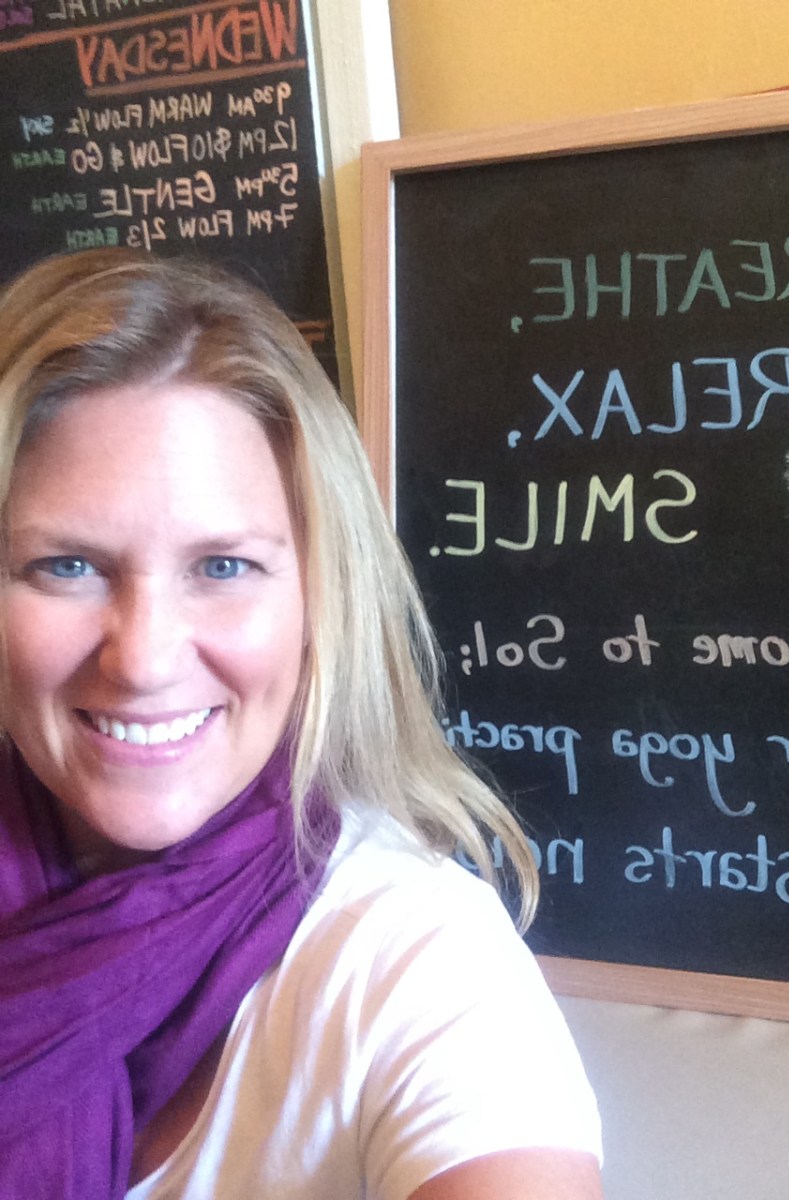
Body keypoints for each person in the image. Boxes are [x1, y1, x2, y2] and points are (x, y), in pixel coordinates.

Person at [0, 248, 603, 1200]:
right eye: (66, 566)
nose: (144, 659)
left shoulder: (417, 959)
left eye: (224, 567)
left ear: (321, 596)